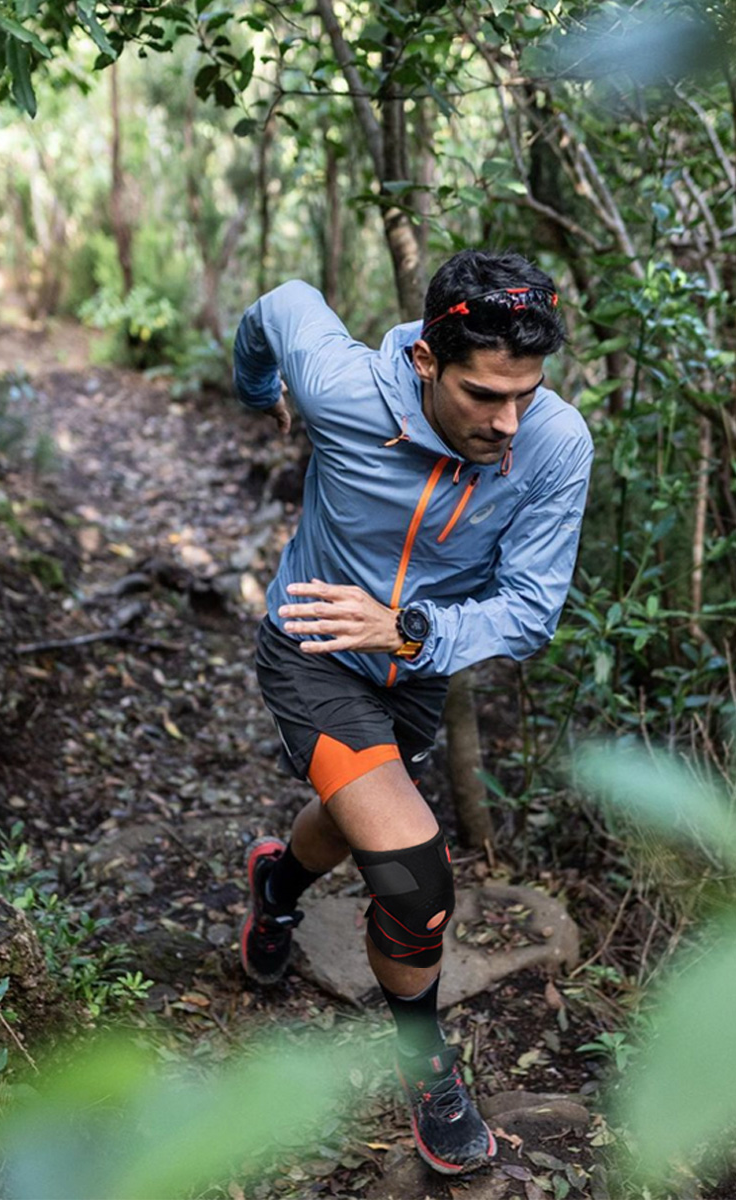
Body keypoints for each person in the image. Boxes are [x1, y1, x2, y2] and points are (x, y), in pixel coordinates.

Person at [232, 249, 593, 1175]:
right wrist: (256, 386)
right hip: (313, 647)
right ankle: (423, 1058)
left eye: (526, 392)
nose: (509, 421)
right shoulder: (347, 388)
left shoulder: (553, 443)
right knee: (416, 873)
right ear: (428, 361)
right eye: (484, 395)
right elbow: (280, 301)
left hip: (417, 665)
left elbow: (530, 610)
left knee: (366, 820)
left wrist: (411, 631)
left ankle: (276, 885)